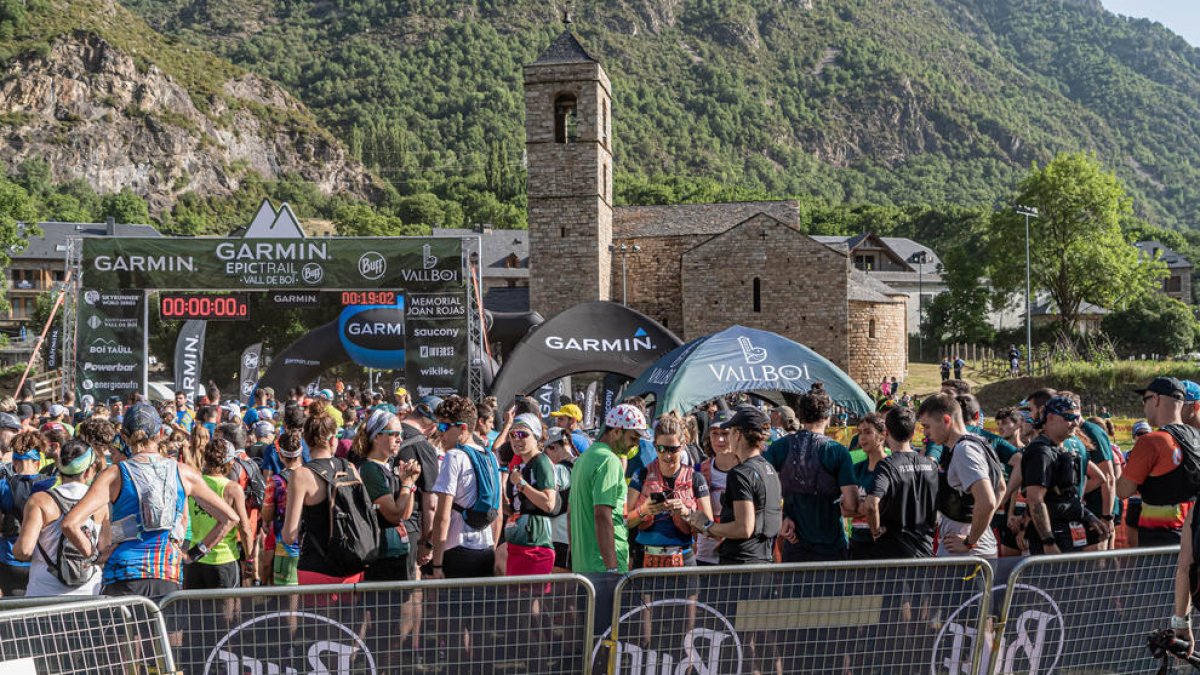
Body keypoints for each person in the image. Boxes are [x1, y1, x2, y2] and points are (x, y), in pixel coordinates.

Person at [62, 403, 237, 600]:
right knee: (165, 631)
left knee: (124, 631)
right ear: (161, 432)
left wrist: (94, 556)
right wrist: (194, 554)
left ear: (125, 437)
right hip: (167, 573)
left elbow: (70, 523)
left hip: (123, 574)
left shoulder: (115, 474)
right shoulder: (184, 472)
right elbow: (229, 518)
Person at [765, 384, 858, 562]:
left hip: (794, 542)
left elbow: (763, 487)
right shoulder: (836, 451)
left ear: (800, 415)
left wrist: (781, 517)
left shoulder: (780, 446)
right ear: (828, 417)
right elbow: (852, 504)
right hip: (831, 544)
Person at [281, 401, 368, 586]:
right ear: (331, 440)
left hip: (316, 567)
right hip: (353, 564)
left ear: (305, 440)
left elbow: (289, 535)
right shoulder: (350, 467)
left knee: (317, 617)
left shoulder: (301, 475)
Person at [685, 406, 781, 564]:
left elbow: (744, 528)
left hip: (740, 565)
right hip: (763, 560)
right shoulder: (768, 467)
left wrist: (707, 525)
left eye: (728, 432)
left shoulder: (740, 473)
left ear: (738, 434)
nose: (725, 439)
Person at [13, 439, 105, 596]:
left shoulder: (40, 500)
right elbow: (103, 551)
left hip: (44, 594)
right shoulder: (100, 503)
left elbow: (23, 551)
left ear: (59, 467)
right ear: (89, 471)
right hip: (89, 594)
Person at [1022, 397, 1113, 555]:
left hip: (1069, 533)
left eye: (1077, 418)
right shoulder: (1041, 452)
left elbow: (1068, 495)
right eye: (1069, 418)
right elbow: (1035, 500)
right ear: (1050, 417)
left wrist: (1090, 517)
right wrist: (1048, 541)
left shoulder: (1061, 448)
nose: (1075, 423)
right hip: (1052, 538)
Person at [917, 393, 1003, 558]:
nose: (925, 433)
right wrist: (980, 527)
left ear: (946, 420)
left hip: (965, 552)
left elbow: (987, 501)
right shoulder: (980, 441)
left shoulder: (964, 451)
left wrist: (970, 541)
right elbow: (1000, 488)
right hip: (974, 546)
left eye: (927, 426)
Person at [1118, 377, 1200, 547]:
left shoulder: (1151, 441)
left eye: (1145, 400)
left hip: (1160, 537)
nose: (1144, 406)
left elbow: (1123, 490)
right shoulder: (1196, 436)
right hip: (1194, 533)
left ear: (1156, 399)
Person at [626, 414, 713, 569]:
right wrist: (644, 510)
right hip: (645, 558)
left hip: (683, 557)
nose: (667, 455)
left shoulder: (696, 478)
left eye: (673, 450)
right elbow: (624, 521)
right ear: (654, 446)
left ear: (683, 445)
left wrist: (686, 513)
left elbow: (708, 526)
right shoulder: (641, 475)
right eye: (661, 448)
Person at [429, 397, 499, 579]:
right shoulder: (490, 456)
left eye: (444, 427)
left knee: (452, 607)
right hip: (486, 549)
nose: (440, 433)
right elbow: (496, 512)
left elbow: (442, 517)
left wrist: (437, 565)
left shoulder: (454, 456)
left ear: (463, 428)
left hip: (457, 549)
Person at [570, 404, 645, 574]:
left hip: (584, 565)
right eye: (633, 438)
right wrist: (612, 568)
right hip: (604, 567)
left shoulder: (584, 458)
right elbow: (602, 514)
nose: (635, 446)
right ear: (616, 431)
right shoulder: (610, 460)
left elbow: (570, 514)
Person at [355, 409, 422, 582]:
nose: (400, 438)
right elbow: (393, 515)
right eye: (393, 434)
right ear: (376, 437)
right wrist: (407, 483)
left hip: (394, 552)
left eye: (401, 434)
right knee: (383, 607)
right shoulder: (370, 469)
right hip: (380, 555)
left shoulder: (387, 467)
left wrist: (409, 482)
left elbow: (405, 515)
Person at [863, 407, 938, 558]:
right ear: (913, 433)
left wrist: (876, 532)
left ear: (886, 433)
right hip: (924, 550)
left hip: (894, 553)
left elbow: (871, 505)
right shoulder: (931, 465)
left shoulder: (887, 465)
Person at [185, 438, 254, 590]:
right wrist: (249, 560)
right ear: (229, 463)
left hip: (195, 559)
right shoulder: (232, 489)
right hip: (224, 560)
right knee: (226, 614)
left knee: (195, 613)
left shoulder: (194, 483)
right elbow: (245, 528)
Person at [503, 414, 558, 577]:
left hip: (536, 546)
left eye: (522, 434)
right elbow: (517, 507)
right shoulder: (520, 465)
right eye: (512, 435)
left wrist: (521, 484)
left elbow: (549, 503)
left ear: (535, 436)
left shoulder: (541, 462)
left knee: (527, 600)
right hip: (518, 543)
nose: (516, 439)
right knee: (515, 600)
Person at [263, 428, 303, 586]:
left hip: (285, 543)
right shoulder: (312, 475)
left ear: (280, 455)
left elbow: (266, 514)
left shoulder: (276, 481)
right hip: (311, 543)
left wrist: (266, 520)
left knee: (287, 595)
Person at [849, 413, 888, 559]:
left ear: (882, 436)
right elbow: (845, 509)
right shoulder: (856, 469)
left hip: (883, 541)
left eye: (868, 432)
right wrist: (871, 509)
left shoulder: (891, 467)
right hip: (858, 542)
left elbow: (891, 510)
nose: (862, 438)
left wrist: (859, 507)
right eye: (859, 433)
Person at [543, 428, 574, 572]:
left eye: (545, 453)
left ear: (553, 447)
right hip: (575, 537)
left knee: (559, 588)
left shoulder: (558, 470)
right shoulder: (580, 463)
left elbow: (549, 502)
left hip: (559, 536)